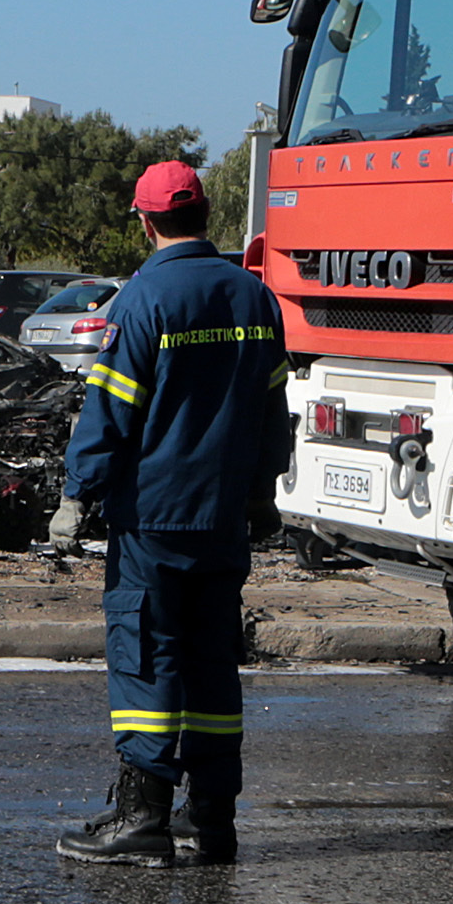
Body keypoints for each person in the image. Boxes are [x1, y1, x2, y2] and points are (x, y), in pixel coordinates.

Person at [49, 159, 290, 867]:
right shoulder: (253, 297)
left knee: (146, 656)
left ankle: (142, 816)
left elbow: (109, 415)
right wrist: (263, 491)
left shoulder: (141, 301)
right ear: (204, 214)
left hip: (154, 517)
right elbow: (272, 411)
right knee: (212, 665)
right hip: (223, 518)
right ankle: (210, 819)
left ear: (145, 219)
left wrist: (76, 495)